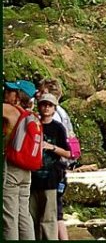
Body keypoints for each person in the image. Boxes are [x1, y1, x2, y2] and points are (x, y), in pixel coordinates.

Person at [37, 79, 77, 241]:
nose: (38, 94)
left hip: (54, 173)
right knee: (53, 214)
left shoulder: (57, 121)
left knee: (54, 215)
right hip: (46, 173)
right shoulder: (60, 114)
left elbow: (67, 152)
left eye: (41, 91)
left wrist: (49, 147)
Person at [29, 93, 70, 241]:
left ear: (54, 109)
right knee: (31, 219)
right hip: (32, 179)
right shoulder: (33, 125)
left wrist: (50, 147)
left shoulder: (58, 128)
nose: (46, 108)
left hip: (51, 180)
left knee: (49, 219)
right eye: (43, 104)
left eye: (50, 105)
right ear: (39, 106)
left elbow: (68, 152)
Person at [3, 81, 37, 240]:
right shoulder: (31, 115)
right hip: (26, 170)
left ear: (17, 95)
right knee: (23, 213)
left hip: (12, 169)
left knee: (9, 215)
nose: (5, 92)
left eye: (10, 90)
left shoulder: (10, 110)